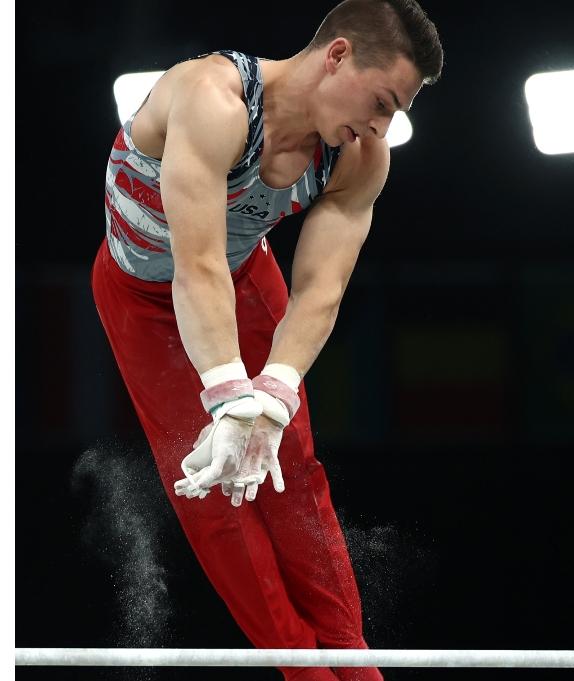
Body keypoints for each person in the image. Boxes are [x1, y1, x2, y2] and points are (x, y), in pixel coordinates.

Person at [91, 1, 442, 678]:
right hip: (145, 298)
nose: (380, 125)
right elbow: (193, 266)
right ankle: (304, 672)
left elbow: (320, 290)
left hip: (243, 276)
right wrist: (227, 396)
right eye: (381, 101)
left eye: (395, 113)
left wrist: (275, 394)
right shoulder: (212, 99)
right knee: (217, 493)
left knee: (292, 473)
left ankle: (357, 667)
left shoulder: (360, 158)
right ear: (338, 54)